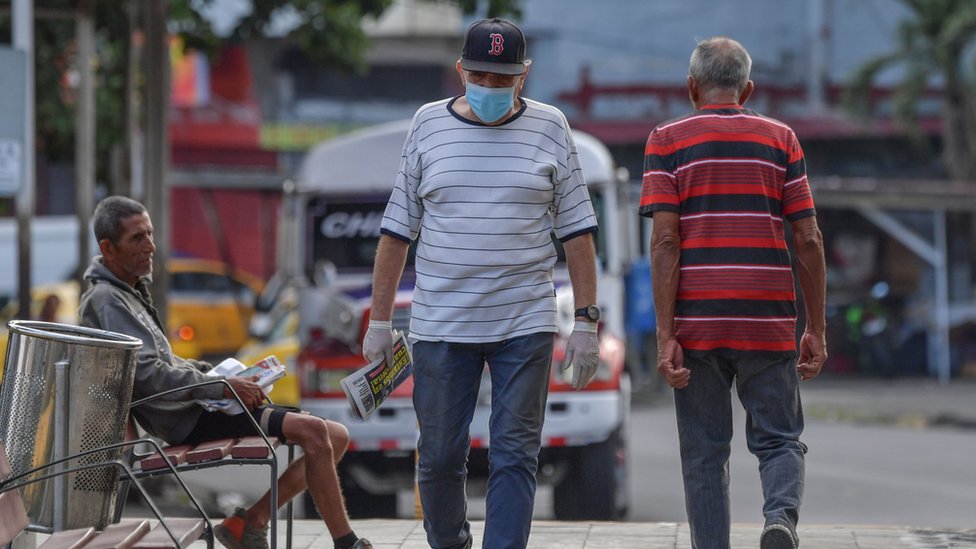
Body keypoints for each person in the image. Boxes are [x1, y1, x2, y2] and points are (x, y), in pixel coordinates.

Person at [363, 17, 600, 549]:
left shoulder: (551, 127)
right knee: (442, 454)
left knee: (516, 452)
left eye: (504, 79)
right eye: (482, 77)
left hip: (525, 320)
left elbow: (579, 232)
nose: (492, 88)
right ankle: (451, 542)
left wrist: (586, 323)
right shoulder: (427, 125)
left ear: (525, 76)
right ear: (461, 71)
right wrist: (380, 322)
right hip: (443, 324)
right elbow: (398, 229)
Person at [78, 196, 371, 549]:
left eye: (150, 235)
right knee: (313, 433)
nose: (151, 246)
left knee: (335, 435)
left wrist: (220, 373)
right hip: (188, 418)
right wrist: (219, 385)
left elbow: (163, 362)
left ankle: (249, 522)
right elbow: (146, 375)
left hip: (201, 407)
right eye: (137, 239)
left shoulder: (129, 291)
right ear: (108, 249)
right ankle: (346, 543)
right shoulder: (107, 299)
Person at [640, 37, 827, 549]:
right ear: (747, 89)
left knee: (703, 453)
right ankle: (779, 520)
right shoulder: (782, 138)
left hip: (697, 322)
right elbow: (807, 237)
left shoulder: (666, 140)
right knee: (780, 439)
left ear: (692, 86)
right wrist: (815, 327)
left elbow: (664, 241)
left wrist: (664, 337)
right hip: (767, 318)